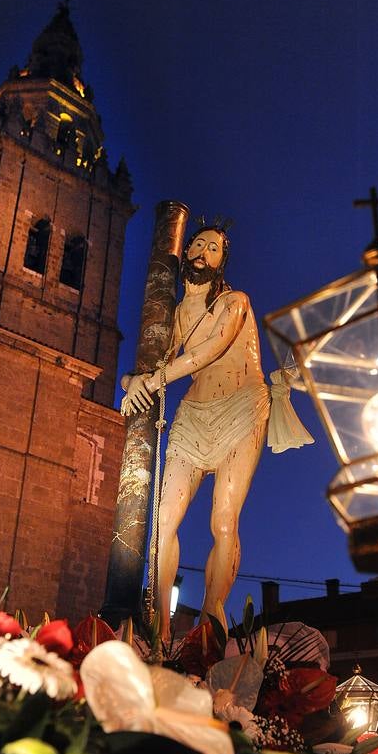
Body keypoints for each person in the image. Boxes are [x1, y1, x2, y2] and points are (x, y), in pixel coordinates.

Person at [121, 224, 312, 641]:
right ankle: (160, 627)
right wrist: (129, 381)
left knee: (223, 520)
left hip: (241, 411)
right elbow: (155, 364)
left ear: (222, 262)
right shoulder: (173, 315)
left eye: (215, 248)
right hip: (192, 416)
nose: (205, 252)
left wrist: (151, 382)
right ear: (187, 251)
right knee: (162, 522)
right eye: (200, 244)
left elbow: (211, 349)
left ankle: (211, 617)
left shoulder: (235, 302)